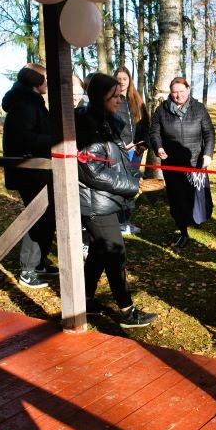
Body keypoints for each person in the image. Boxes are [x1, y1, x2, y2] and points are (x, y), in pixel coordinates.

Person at [75, 73, 157, 328]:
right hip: (94, 202)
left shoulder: (106, 120)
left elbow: (112, 161)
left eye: (120, 95)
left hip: (104, 199)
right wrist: (133, 186)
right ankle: (127, 310)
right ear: (100, 97)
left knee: (99, 253)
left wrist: (134, 176)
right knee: (114, 252)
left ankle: (84, 300)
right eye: (114, 96)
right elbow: (92, 170)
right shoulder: (89, 125)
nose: (119, 100)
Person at [2, 64, 59, 289]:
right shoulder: (24, 104)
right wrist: (57, 140)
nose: (48, 82)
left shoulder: (32, 102)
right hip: (29, 172)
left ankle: (39, 263)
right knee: (38, 217)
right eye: (45, 78)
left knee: (48, 216)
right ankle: (28, 269)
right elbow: (27, 139)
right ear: (36, 81)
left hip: (39, 170)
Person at [149, 76, 216, 248]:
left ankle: (196, 219)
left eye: (181, 91)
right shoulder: (161, 110)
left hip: (195, 162)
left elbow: (209, 132)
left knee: (198, 197)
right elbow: (154, 132)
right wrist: (158, 147)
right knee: (177, 198)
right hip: (171, 164)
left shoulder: (198, 109)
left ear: (188, 89)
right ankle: (183, 231)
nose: (178, 95)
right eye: (174, 92)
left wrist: (208, 154)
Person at [114, 66, 149, 235]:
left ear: (129, 81)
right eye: (118, 79)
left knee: (133, 187)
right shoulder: (112, 100)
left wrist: (144, 144)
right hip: (119, 151)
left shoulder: (137, 100)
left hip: (136, 152)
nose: (121, 82)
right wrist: (121, 145)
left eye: (124, 79)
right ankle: (119, 222)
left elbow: (145, 125)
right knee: (121, 186)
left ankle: (126, 221)